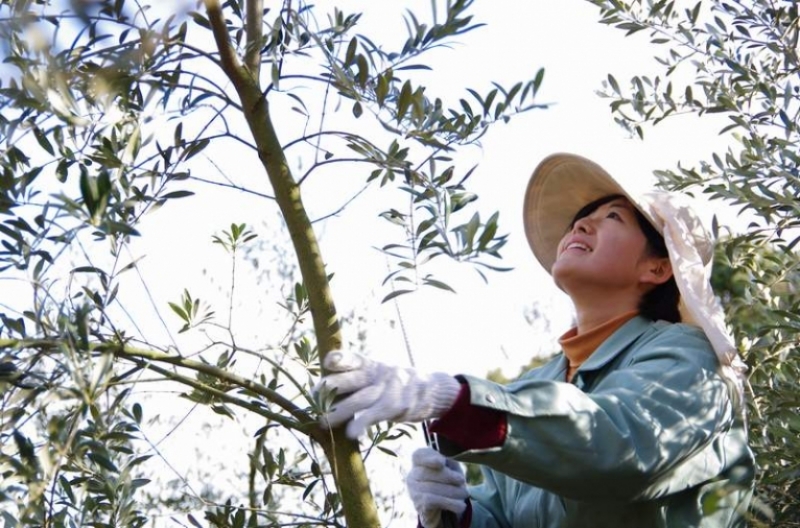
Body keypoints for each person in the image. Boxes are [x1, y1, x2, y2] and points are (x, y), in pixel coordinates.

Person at [317, 153, 755, 528]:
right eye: (583, 217)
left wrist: (455, 403)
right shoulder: (538, 383)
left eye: (613, 217)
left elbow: (617, 443)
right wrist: (458, 512)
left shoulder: (689, 358)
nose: (582, 222)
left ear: (658, 269)